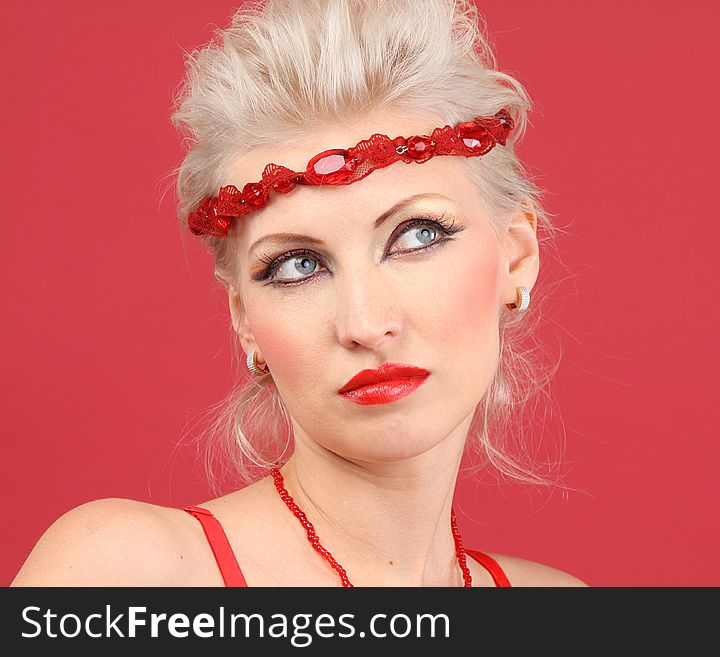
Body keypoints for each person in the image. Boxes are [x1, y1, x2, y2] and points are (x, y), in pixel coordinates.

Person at [12, 0, 586, 587]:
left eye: (417, 235)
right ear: (245, 320)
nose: (365, 322)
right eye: (298, 266)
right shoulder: (129, 573)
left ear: (516, 256)